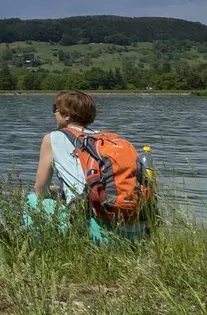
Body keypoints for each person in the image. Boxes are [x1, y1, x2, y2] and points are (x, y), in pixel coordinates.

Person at [27, 90, 149, 244]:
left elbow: (40, 190)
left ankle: (38, 250)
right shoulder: (109, 140)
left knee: (32, 200)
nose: (54, 114)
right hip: (136, 233)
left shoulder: (52, 138)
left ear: (67, 115)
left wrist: (53, 193)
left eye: (55, 109)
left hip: (100, 235)